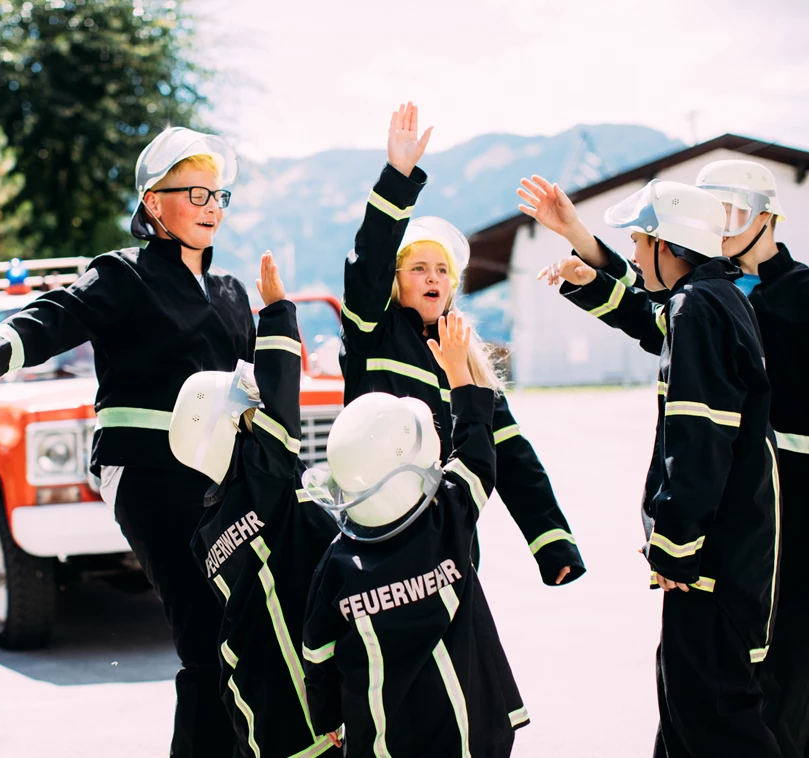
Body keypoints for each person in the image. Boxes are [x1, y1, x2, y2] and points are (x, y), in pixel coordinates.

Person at [0, 127, 254, 757]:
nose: (213, 205)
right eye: (196, 192)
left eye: (220, 194)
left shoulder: (233, 294)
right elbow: (57, 315)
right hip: (150, 474)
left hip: (224, 481)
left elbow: (256, 385)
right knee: (209, 637)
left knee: (246, 635)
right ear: (155, 204)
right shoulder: (123, 275)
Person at [530, 160, 808, 757]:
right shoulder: (715, 295)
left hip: (786, 519)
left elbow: (697, 421)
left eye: (732, 213)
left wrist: (676, 538)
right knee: (709, 692)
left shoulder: (788, 295)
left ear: (767, 218)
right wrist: (581, 245)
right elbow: (652, 311)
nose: (722, 226)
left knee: (776, 685)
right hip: (732, 513)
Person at [341, 102, 585, 587]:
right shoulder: (374, 329)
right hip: (375, 538)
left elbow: (513, 456)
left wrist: (551, 540)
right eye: (418, 268)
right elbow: (368, 258)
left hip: (451, 545)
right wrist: (398, 175)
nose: (433, 278)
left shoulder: (467, 358)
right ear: (396, 282)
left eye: (442, 271)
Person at [302, 312, 529, 757]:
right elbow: (478, 454)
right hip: (474, 731)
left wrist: (326, 717)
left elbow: (317, 654)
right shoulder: (446, 517)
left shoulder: (337, 565)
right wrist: (460, 374)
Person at [169, 252, 340, 758]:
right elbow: (284, 396)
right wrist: (278, 311)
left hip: (270, 722)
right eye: (246, 406)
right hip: (317, 710)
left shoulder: (208, 533)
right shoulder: (265, 479)